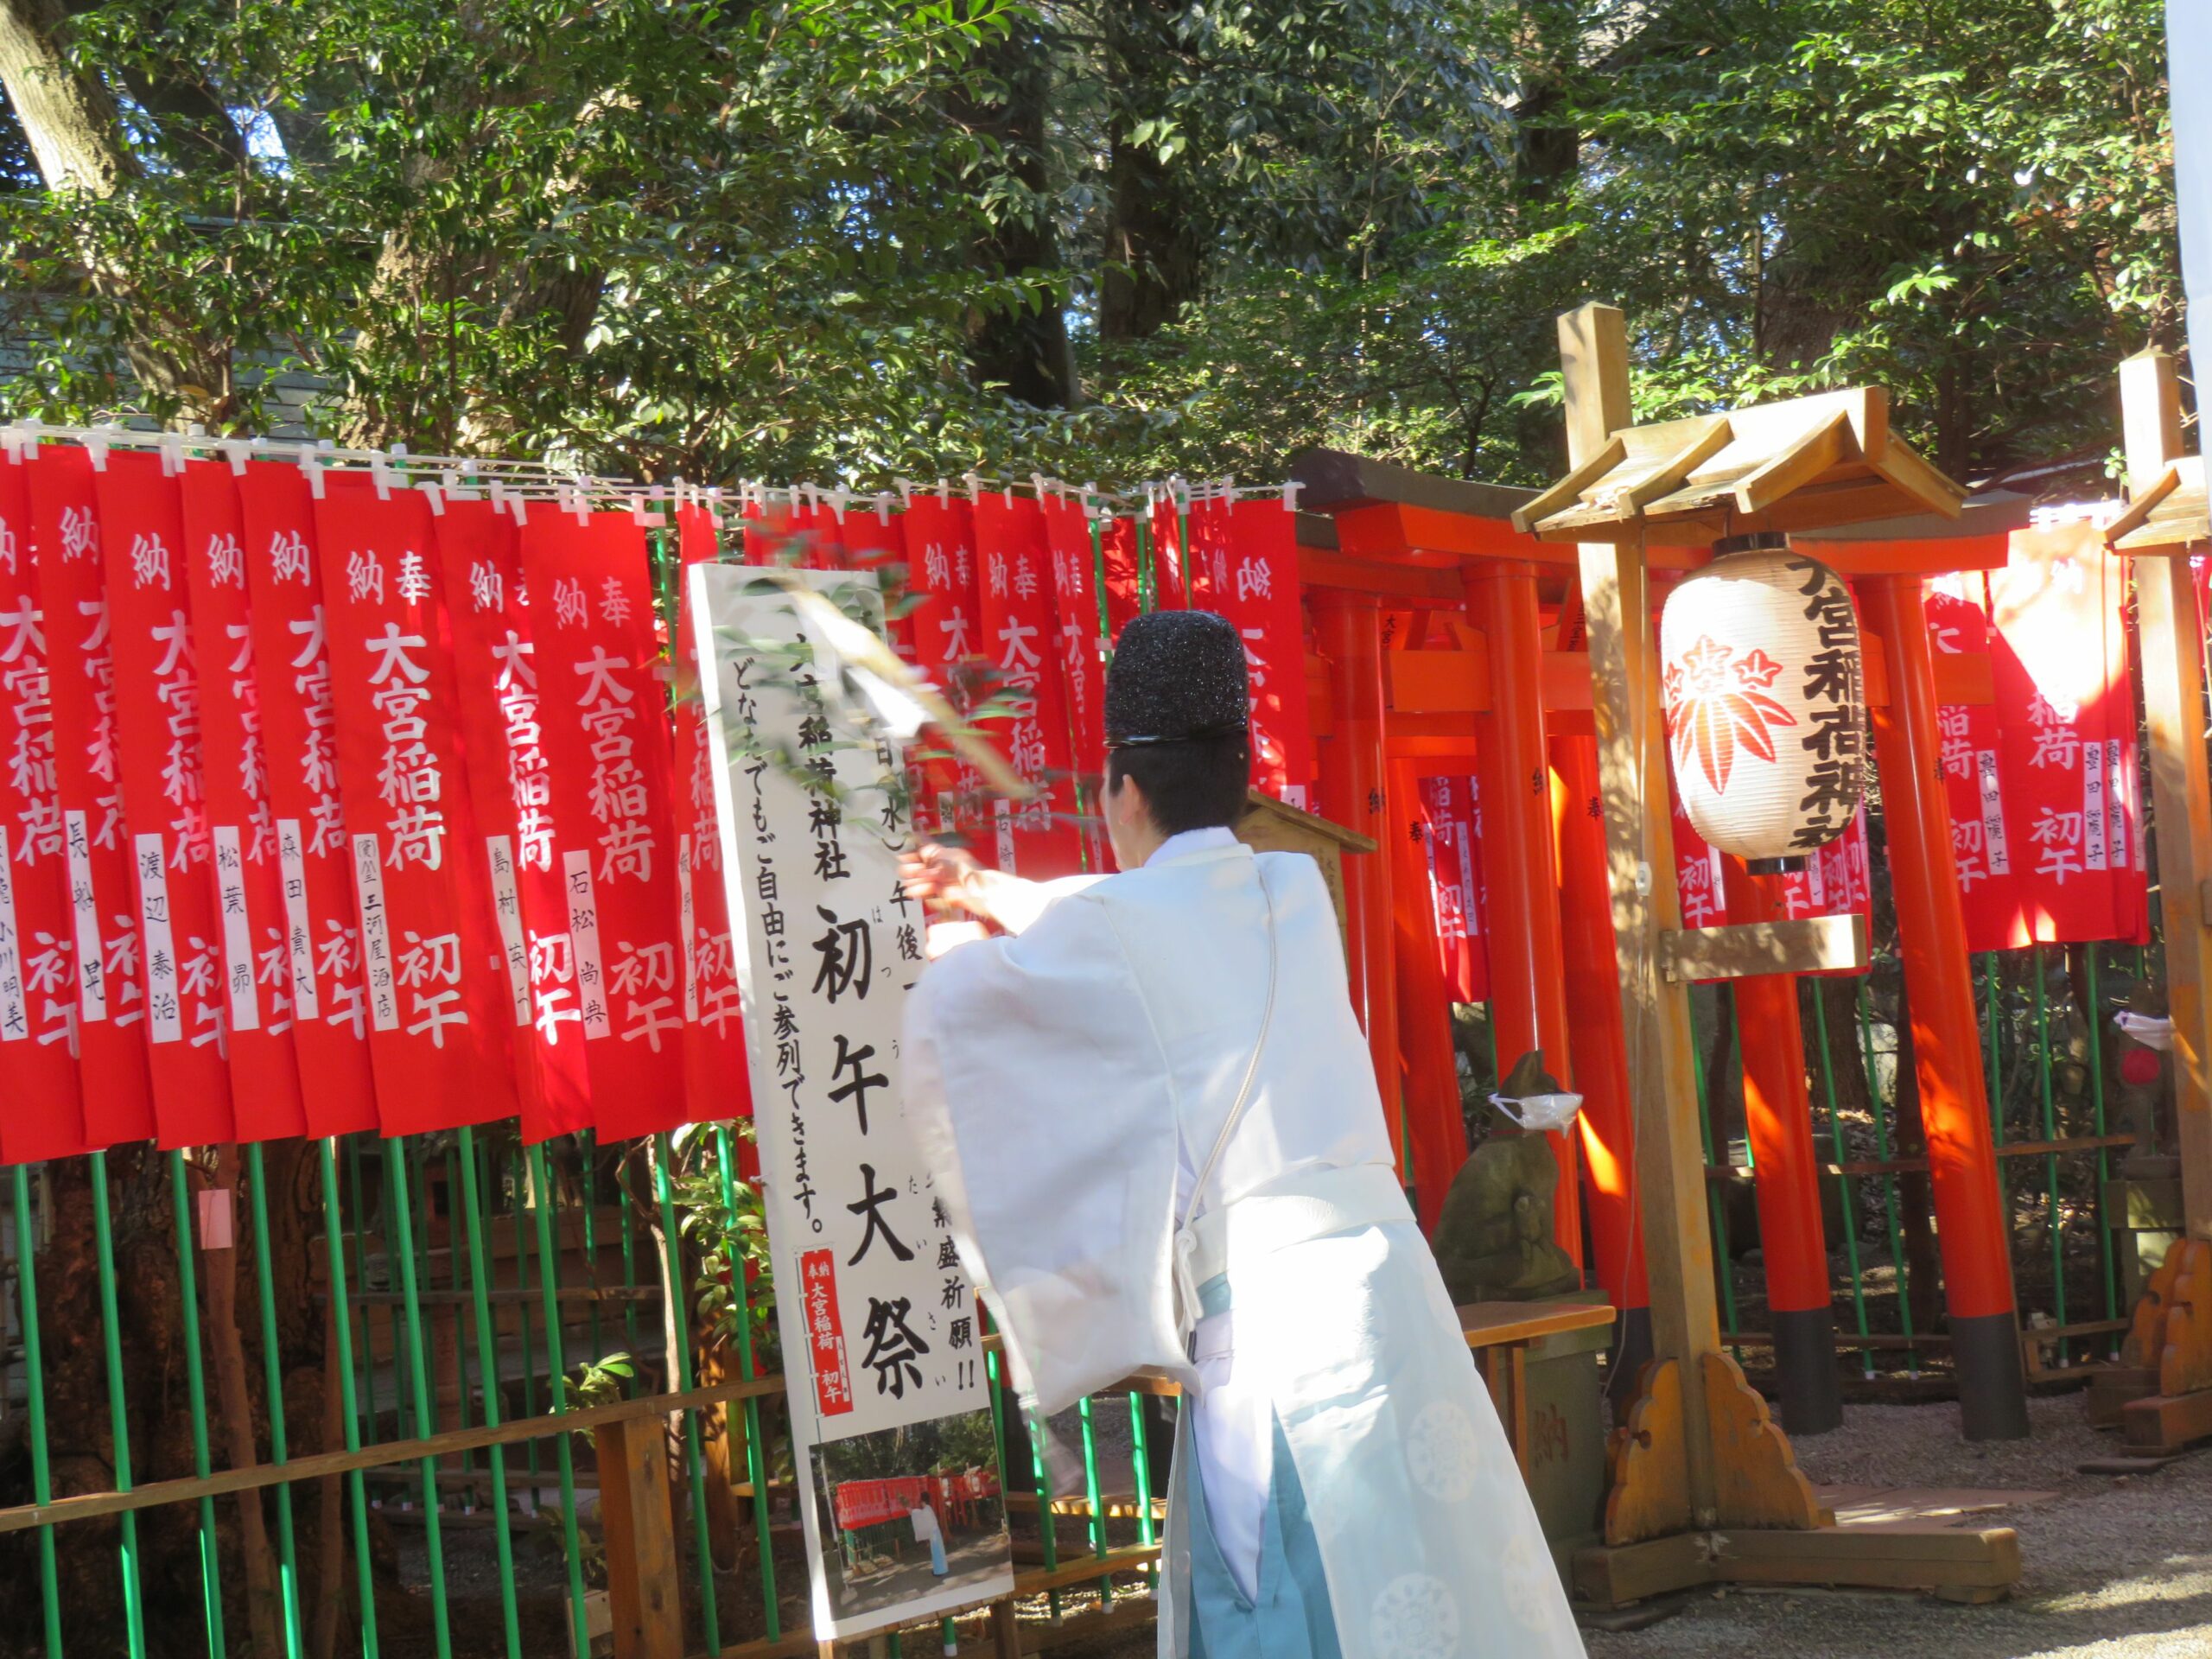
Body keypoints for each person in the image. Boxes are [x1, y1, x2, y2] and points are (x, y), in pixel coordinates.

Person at [901, 611, 1585, 1659]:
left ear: (1122, 791)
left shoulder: (1122, 928)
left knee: (1276, 1587)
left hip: (1271, 1319)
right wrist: (990, 890)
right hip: (1388, 1295)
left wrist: (930, 935)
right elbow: (1149, 926)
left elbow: (986, 1001)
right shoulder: (1289, 891)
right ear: (1237, 784)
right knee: (1426, 1569)